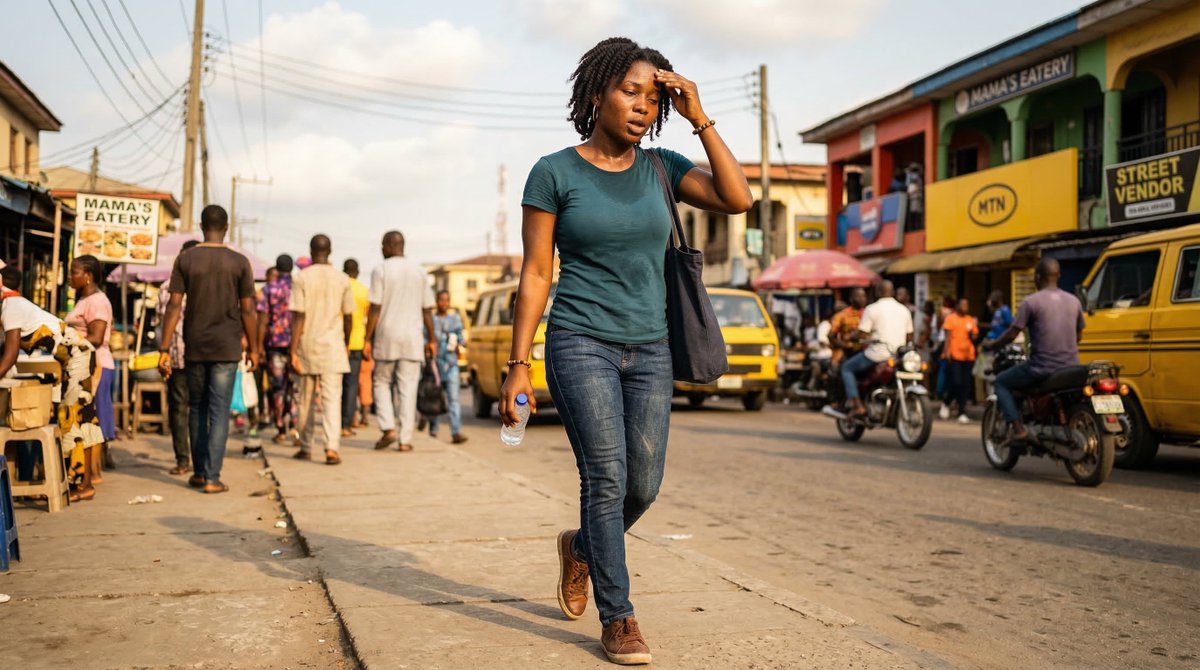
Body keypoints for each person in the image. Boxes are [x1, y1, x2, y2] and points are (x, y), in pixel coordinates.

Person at [501, 37, 752, 665]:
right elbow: (536, 274)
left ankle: (581, 546)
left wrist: (699, 116)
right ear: (597, 94)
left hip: (652, 345)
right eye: (628, 90)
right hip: (579, 339)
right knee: (606, 477)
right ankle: (620, 618)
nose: (642, 106)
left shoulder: (662, 166)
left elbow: (738, 198)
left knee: (643, 483)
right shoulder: (553, 172)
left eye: (652, 96)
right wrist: (518, 364)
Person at [158, 205, 259, 494]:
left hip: (195, 347)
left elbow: (174, 306)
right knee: (219, 411)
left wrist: (164, 348)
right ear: (226, 227)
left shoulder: (186, 259)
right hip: (227, 348)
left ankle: (200, 473)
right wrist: (254, 349)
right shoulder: (240, 262)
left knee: (196, 409)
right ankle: (213, 477)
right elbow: (249, 310)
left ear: (201, 226)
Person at [2, 266, 105, 501]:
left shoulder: (12, 306)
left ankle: (81, 483)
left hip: (78, 358)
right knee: (83, 419)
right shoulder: (9, 305)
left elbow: (9, 356)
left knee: (73, 419)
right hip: (74, 359)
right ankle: (82, 483)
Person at [985, 258, 1085, 440]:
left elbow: (1011, 334)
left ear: (1037, 278)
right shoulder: (1074, 301)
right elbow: (1079, 336)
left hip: (1042, 368)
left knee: (1001, 381)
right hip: (1071, 366)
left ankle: (1018, 430)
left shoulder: (1031, 302)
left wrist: (991, 344)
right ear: (1059, 276)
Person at [363, 231, 437, 452]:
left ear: (388, 246)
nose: (381, 250)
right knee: (408, 388)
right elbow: (427, 310)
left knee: (381, 382)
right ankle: (405, 440)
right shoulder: (419, 271)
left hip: (387, 336)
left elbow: (375, 307)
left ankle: (388, 428)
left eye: (382, 246)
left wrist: (367, 338)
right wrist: (431, 339)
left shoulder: (381, 270)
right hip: (413, 338)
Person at [289, 235, 355, 465]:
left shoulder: (301, 278)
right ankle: (332, 448)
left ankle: (306, 446)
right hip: (334, 345)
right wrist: (346, 343)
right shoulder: (343, 279)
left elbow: (299, 315)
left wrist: (293, 349)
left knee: (306, 399)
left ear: (311, 251)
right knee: (332, 399)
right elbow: (349, 316)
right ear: (330, 251)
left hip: (308, 344)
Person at [65, 255, 116, 478]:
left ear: (88, 276)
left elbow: (95, 337)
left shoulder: (97, 302)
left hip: (97, 366)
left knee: (92, 419)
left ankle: (93, 474)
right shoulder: (84, 300)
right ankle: (90, 472)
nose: (70, 277)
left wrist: (66, 337)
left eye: (74, 272)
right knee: (86, 418)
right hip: (84, 365)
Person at [157, 239, 201, 475]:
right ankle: (195, 460)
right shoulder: (203, 286)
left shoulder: (167, 287)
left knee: (180, 408)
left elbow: (160, 323)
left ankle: (185, 460)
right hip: (194, 356)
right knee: (195, 408)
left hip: (178, 355)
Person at [840, 281, 913, 417]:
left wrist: (850, 336)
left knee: (846, 368)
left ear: (877, 292)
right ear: (892, 292)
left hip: (877, 354)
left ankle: (857, 405)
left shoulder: (872, 309)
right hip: (898, 356)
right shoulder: (904, 310)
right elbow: (909, 336)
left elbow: (862, 333)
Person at [258, 254, 297, 444]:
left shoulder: (269, 289)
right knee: (295, 387)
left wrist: (258, 347)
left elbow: (263, 319)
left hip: (274, 344)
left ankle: (281, 429)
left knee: (278, 389)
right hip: (297, 345)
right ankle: (296, 427)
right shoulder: (299, 288)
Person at [427, 290, 467, 443]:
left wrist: (458, 343)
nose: (443, 303)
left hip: (451, 366)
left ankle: (456, 431)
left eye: (446, 300)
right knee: (435, 399)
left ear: (449, 302)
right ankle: (433, 429)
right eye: (440, 300)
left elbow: (462, 340)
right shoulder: (431, 319)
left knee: (453, 400)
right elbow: (425, 338)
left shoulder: (455, 319)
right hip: (435, 366)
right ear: (436, 301)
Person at [341, 258, 370, 437]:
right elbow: (368, 318)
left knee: (336, 384)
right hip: (357, 342)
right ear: (357, 272)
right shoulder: (363, 291)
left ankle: (337, 420)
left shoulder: (339, 286)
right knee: (352, 384)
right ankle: (347, 423)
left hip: (339, 341)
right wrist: (368, 341)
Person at [939, 298, 979, 424]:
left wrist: (974, 333)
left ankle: (962, 412)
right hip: (954, 355)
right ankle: (946, 402)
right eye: (963, 305)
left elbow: (975, 336)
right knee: (956, 382)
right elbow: (947, 337)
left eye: (967, 305)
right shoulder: (951, 318)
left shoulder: (970, 319)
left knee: (965, 384)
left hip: (968, 356)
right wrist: (947, 352)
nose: (965, 307)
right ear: (957, 306)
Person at [830, 289, 867, 365]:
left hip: (867, 352)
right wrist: (845, 345)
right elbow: (831, 335)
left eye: (863, 296)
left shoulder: (869, 313)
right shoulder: (842, 315)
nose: (862, 299)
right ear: (851, 299)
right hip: (848, 354)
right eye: (859, 297)